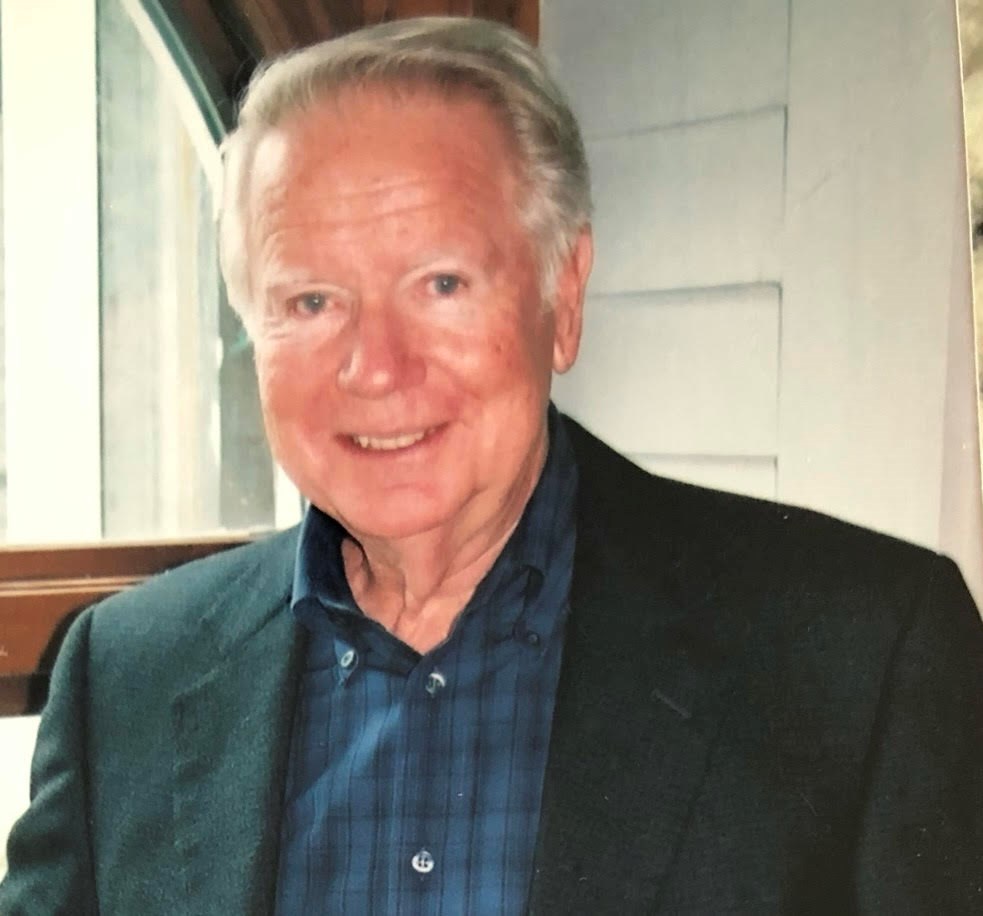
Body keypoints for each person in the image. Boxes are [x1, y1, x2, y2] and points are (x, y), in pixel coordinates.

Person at [2, 16, 982, 916]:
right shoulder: (124, 677)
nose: (375, 365)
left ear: (564, 294)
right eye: (310, 301)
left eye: (441, 283)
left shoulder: (861, 659)